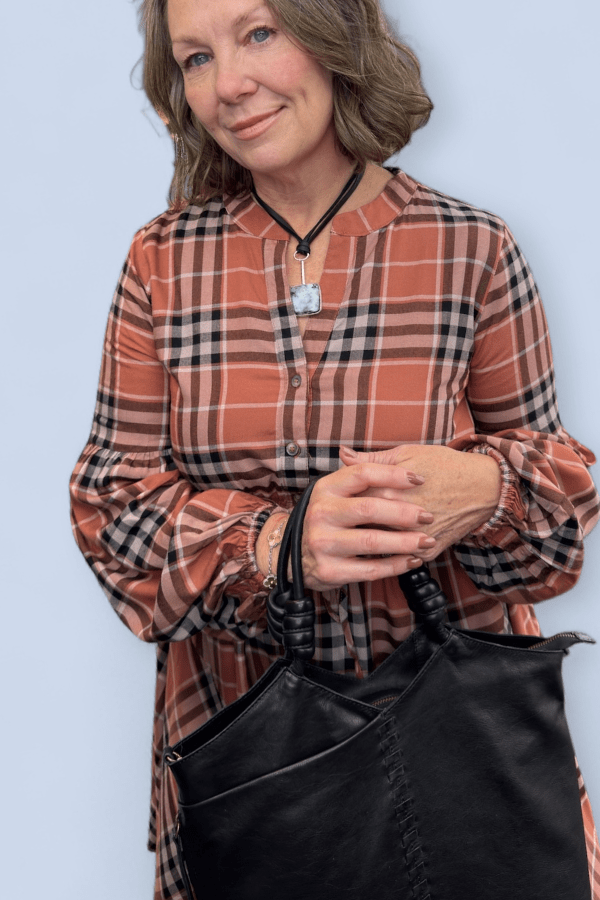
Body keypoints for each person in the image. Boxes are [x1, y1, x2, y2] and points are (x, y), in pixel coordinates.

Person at [69, 0, 600, 897]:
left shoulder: (470, 248)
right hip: (252, 761)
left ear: (333, 35)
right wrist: (276, 544)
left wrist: (484, 487)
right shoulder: (163, 262)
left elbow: (555, 542)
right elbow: (109, 514)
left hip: (468, 764)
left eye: (259, 33)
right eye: (195, 58)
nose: (230, 84)